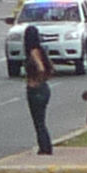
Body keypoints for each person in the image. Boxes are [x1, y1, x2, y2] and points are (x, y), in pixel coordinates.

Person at [22, 25, 55, 155]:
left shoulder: (33, 52)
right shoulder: (42, 51)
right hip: (44, 88)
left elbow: (41, 68)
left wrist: (36, 81)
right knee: (41, 120)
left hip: (36, 90)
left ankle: (44, 147)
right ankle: (45, 145)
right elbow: (51, 68)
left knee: (38, 121)